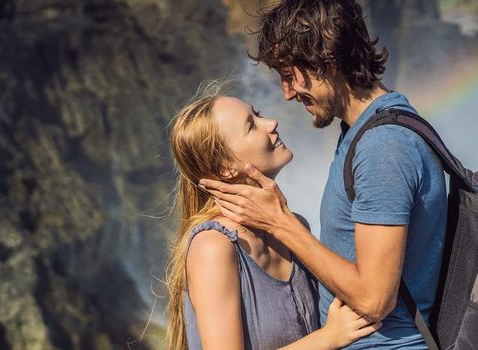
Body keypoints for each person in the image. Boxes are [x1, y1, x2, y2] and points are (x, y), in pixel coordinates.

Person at [198, 0, 448, 348]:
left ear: (325, 61)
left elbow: (375, 300)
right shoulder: (364, 131)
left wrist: (280, 222)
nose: (286, 94)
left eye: (289, 76)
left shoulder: (383, 148)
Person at [165, 90, 382, 350]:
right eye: (251, 125)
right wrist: (329, 337)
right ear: (225, 168)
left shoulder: (296, 228)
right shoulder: (213, 246)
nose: (271, 123)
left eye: (258, 114)